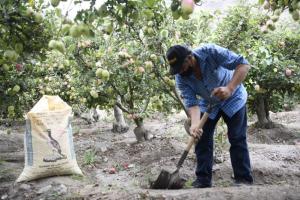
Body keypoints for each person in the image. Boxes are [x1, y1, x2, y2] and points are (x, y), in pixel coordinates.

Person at [166, 44, 253, 188]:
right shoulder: (180, 78)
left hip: (233, 97)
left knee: (237, 137)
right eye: (176, 69)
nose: (180, 72)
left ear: (190, 57)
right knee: (201, 138)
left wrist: (230, 88)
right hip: (209, 103)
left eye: (181, 66)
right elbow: (192, 103)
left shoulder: (210, 52)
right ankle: (203, 180)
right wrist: (195, 124)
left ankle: (243, 179)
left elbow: (243, 64)